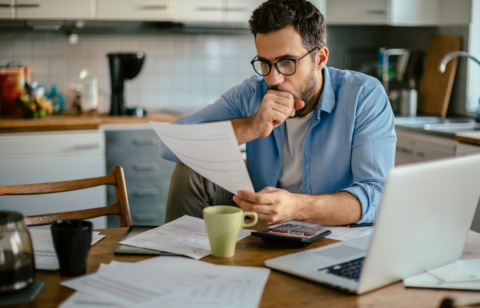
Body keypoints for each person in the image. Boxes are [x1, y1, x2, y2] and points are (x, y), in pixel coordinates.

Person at [159, 0, 396, 226]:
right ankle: (184, 261)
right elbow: (169, 145)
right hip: (262, 222)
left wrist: (296, 207)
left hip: (331, 229)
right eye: (265, 63)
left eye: (287, 62)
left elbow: (378, 195)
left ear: (320, 58)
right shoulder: (253, 92)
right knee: (190, 169)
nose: (273, 78)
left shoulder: (363, 96)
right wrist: (250, 126)